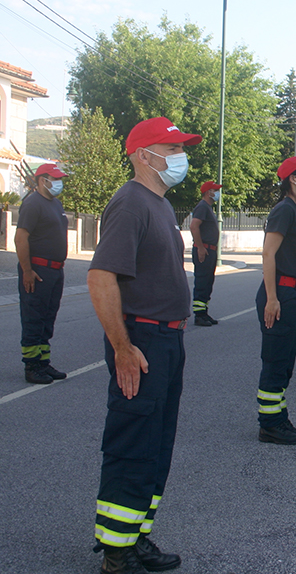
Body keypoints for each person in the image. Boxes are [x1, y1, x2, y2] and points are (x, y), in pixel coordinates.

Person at [87, 116, 202, 574]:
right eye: (171, 149)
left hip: (165, 337)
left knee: (155, 443)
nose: (179, 157)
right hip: (143, 340)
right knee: (133, 443)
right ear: (143, 155)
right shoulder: (131, 202)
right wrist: (122, 346)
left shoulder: (158, 204)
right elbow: (100, 277)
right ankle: (117, 554)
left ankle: (135, 538)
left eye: (180, 149)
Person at [256, 156, 296, 445]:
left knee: (285, 361)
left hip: (291, 293)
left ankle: (278, 417)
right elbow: (268, 254)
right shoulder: (284, 210)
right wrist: (272, 298)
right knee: (276, 360)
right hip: (280, 292)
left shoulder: (293, 210)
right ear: (292, 179)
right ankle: (269, 424)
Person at [15, 163, 70, 384]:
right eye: (54, 178)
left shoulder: (55, 204)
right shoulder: (32, 204)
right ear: (41, 180)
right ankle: (31, 367)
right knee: (34, 318)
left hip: (55, 271)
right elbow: (20, 238)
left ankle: (43, 363)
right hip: (38, 270)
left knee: (47, 318)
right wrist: (27, 270)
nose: (58, 183)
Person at [190, 180, 221, 326]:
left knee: (208, 282)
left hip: (210, 250)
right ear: (209, 192)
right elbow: (194, 226)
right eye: (215, 190)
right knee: (202, 282)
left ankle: (204, 312)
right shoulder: (202, 207)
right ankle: (199, 315)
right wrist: (200, 248)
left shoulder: (207, 208)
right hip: (205, 249)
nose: (217, 193)